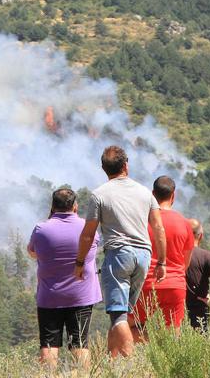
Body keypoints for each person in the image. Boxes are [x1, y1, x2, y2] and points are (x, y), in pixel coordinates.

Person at [74, 146, 167, 358]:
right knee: (123, 313)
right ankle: (111, 359)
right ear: (126, 165)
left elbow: (88, 234)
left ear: (103, 169)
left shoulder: (98, 195)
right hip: (144, 255)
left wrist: (79, 263)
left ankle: (128, 363)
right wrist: (161, 262)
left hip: (118, 255)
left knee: (118, 315)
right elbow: (159, 228)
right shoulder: (145, 193)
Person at [27, 188, 101, 368]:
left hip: (50, 296)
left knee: (49, 344)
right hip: (81, 295)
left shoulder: (41, 229)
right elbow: (93, 250)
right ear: (75, 206)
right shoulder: (88, 228)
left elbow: (32, 252)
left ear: (53, 206)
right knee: (80, 342)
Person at [130, 176, 194, 339]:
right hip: (175, 285)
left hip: (145, 284)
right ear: (173, 195)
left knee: (130, 327)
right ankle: (167, 361)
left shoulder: (142, 221)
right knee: (173, 334)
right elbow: (186, 261)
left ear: (152, 194)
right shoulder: (184, 223)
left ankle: (135, 357)